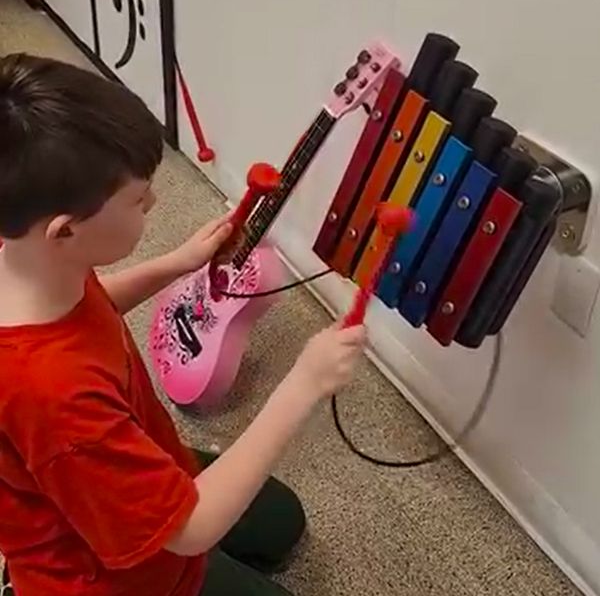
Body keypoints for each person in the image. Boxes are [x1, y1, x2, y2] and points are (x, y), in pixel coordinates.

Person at [0, 53, 365, 596]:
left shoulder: (28, 261)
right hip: (112, 577)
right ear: (65, 231)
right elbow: (189, 532)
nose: (155, 200)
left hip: (132, 455)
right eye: (136, 198)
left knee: (279, 522)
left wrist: (176, 262)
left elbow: (91, 309)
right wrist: (303, 384)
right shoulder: (53, 398)